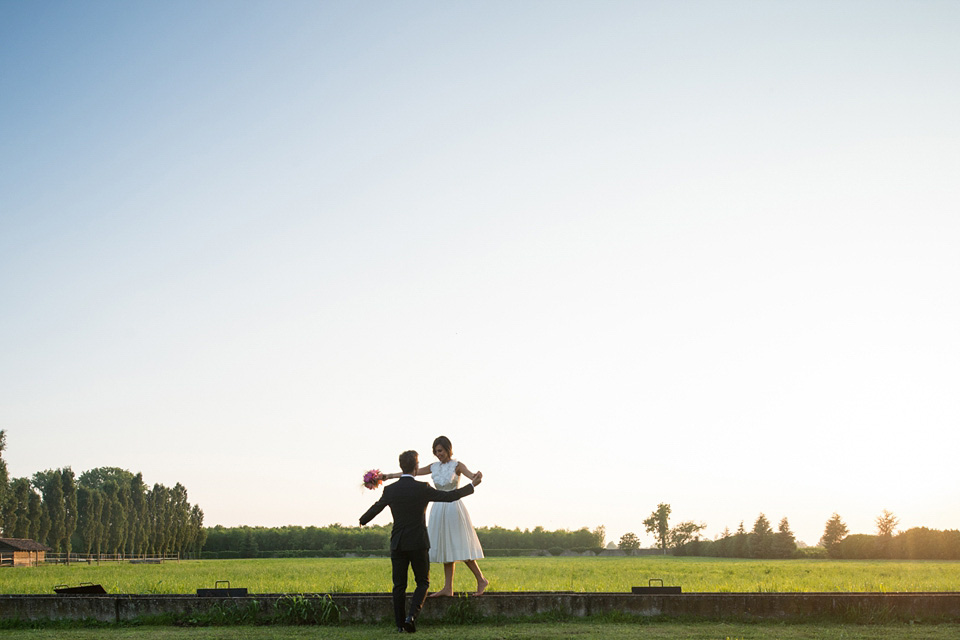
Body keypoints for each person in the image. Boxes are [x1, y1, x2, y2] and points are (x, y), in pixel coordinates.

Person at [360, 449, 480, 633]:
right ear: (416, 467)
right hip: (418, 542)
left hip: (398, 543)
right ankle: (411, 617)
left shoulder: (390, 490)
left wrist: (363, 520)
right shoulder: (422, 488)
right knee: (422, 582)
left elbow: (377, 507)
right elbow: (449, 497)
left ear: (402, 467)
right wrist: (472, 486)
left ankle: (400, 625)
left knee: (399, 585)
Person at [383, 436, 488, 597]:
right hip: (438, 508)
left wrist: (477, 477)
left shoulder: (457, 465)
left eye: (440, 450)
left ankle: (481, 579)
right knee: (446, 547)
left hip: (453, 506)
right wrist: (389, 476)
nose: (438, 454)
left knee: (459, 544)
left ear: (448, 449)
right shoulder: (433, 467)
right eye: (436, 451)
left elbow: (472, 476)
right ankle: (448, 588)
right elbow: (411, 474)